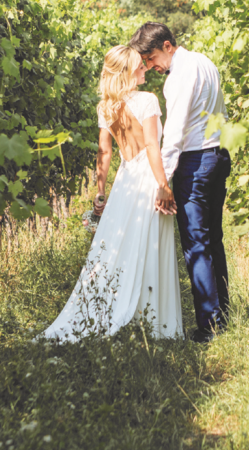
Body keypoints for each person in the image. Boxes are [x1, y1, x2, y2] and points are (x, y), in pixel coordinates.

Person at [40, 45, 183, 342]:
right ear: (127, 71)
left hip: (125, 179)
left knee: (120, 247)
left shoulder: (106, 106)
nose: (145, 69)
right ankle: (153, 322)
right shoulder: (147, 101)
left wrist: (101, 192)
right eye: (139, 66)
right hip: (146, 176)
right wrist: (163, 185)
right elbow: (153, 147)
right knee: (150, 244)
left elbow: (104, 151)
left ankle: (120, 310)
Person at [130, 22, 231, 344]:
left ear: (168, 45)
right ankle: (222, 314)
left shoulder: (179, 78)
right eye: (146, 61)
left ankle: (210, 326)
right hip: (218, 155)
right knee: (214, 239)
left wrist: (165, 180)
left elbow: (174, 133)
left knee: (196, 244)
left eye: (152, 57)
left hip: (196, 161)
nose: (151, 65)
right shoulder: (206, 62)